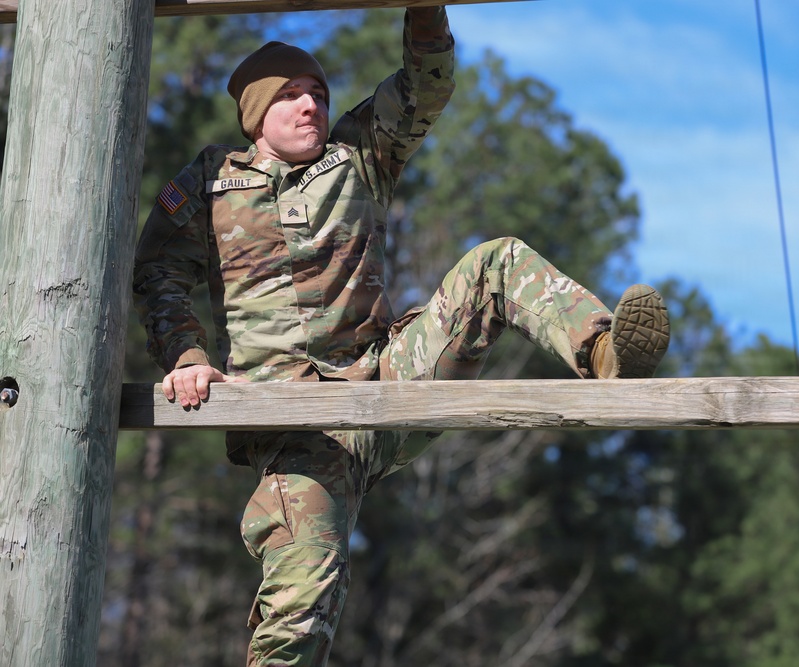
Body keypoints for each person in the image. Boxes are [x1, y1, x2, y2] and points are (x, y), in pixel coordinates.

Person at [133, 6, 670, 666]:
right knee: (302, 596)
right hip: (295, 422)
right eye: (292, 95)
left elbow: (427, 86)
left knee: (496, 261)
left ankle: (604, 350)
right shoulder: (214, 181)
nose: (311, 106)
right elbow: (157, 271)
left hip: (388, 380)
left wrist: (426, 12)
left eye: (319, 95)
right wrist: (187, 357)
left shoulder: (356, 155)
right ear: (256, 113)